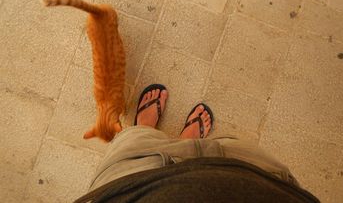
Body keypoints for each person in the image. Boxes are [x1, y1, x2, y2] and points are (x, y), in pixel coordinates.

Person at [75, 84, 319, 203]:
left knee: (133, 143)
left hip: (131, 184)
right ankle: (186, 140)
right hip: (253, 177)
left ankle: (145, 128)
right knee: (232, 147)